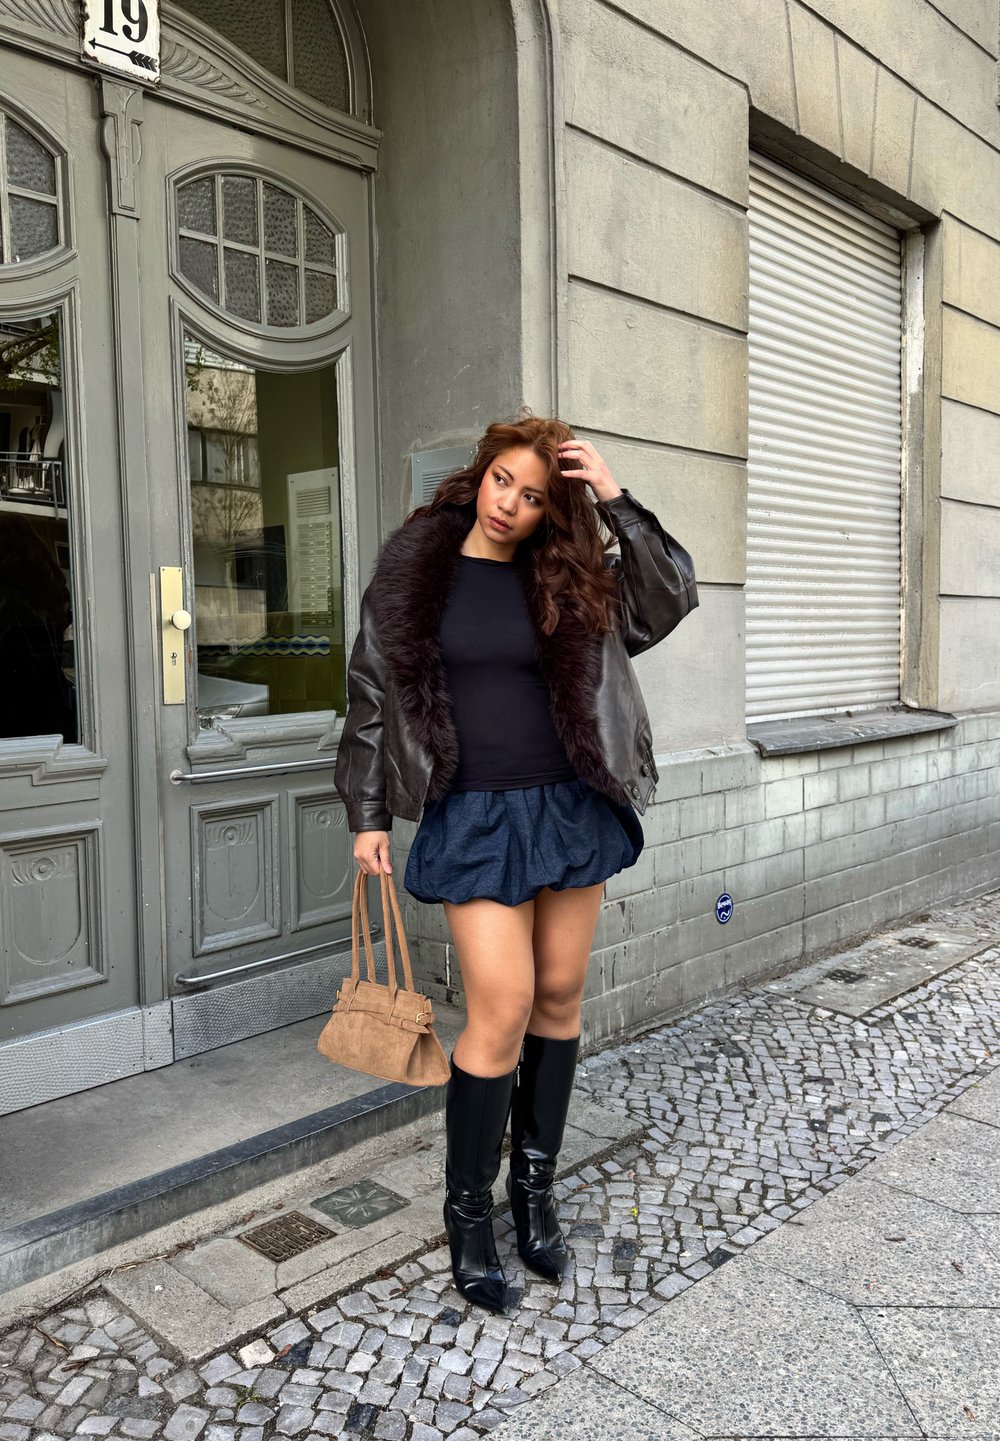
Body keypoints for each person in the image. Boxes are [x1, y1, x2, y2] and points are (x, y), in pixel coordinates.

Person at [335, 413, 697, 1314]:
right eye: (503, 480)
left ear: (549, 508)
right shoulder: (416, 569)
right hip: (475, 812)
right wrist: (367, 813)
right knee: (501, 1003)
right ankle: (468, 1213)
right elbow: (371, 692)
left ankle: (534, 1193)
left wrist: (612, 496)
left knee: (560, 995)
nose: (511, 504)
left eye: (534, 495)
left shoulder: (567, 572)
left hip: (569, 801)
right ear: (481, 472)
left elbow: (670, 595)